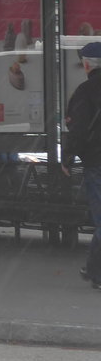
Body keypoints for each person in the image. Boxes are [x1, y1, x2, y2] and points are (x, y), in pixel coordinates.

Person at [62, 41, 101, 291]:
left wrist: (68, 157)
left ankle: (96, 271)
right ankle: (93, 269)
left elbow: (77, 128)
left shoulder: (85, 91)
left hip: (97, 163)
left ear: (87, 64)